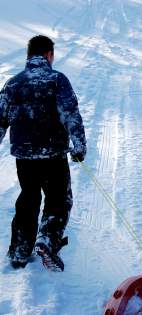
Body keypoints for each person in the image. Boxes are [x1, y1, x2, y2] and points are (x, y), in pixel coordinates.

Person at [0, 35, 86, 271]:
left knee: (28, 198)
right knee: (59, 199)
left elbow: (0, 119)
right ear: (49, 54)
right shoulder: (57, 80)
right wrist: (79, 146)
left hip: (24, 157)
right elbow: (70, 114)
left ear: (29, 55)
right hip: (53, 154)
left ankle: (19, 251)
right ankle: (47, 239)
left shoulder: (13, 83)